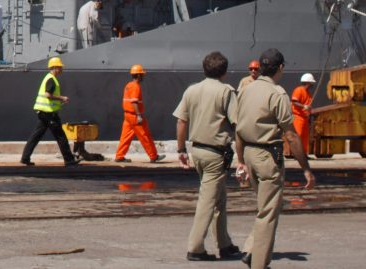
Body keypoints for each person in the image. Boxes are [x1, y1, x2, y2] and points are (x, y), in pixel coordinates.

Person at [235, 48, 315, 269]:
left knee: (264, 208)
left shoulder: (245, 90)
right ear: (280, 68)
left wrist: (240, 160)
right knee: (269, 212)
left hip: (249, 154)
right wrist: (306, 168)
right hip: (268, 156)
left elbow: (238, 130)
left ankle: (252, 250)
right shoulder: (277, 93)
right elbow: (290, 134)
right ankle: (259, 264)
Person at [173, 51, 241, 262]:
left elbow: (181, 121)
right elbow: (237, 124)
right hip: (216, 153)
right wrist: (243, 156)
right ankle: (195, 247)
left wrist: (181, 150)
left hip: (198, 151)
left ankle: (224, 244)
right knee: (207, 201)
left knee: (218, 199)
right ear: (224, 71)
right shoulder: (226, 91)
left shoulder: (192, 90)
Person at [20, 57, 78, 166]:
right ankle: (69, 160)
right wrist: (62, 98)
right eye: (60, 67)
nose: (61, 69)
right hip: (48, 113)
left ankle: (25, 158)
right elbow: (48, 95)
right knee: (60, 136)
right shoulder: (51, 79)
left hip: (45, 112)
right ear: (54, 67)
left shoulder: (49, 78)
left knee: (36, 136)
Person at [114, 64, 165, 163]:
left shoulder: (128, 85)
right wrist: (139, 115)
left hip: (127, 116)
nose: (143, 76)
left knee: (125, 137)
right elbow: (134, 102)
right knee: (145, 135)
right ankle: (153, 156)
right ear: (138, 75)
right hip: (134, 116)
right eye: (142, 75)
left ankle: (119, 156)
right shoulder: (135, 86)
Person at [291, 73, 316, 156]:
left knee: (305, 137)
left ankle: (304, 155)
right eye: (311, 83)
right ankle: (297, 154)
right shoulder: (299, 90)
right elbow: (294, 102)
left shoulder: (307, 93)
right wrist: (304, 106)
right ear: (308, 83)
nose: (312, 85)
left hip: (305, 118)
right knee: (298, 136)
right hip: (298, 117)